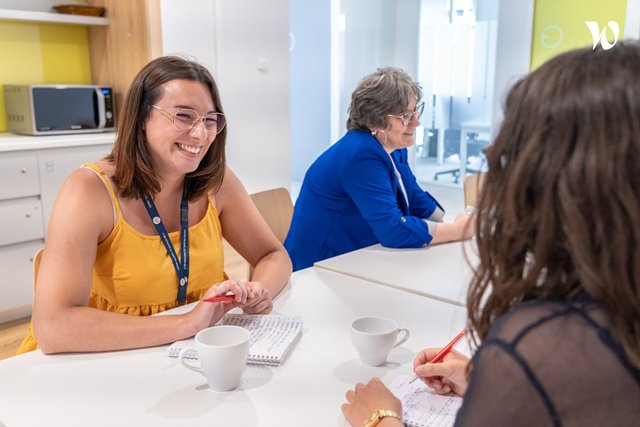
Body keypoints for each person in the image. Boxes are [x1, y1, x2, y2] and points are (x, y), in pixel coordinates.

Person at [342, 42, 640, 426]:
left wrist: (380, 419)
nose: (491, 152)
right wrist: (492, 380)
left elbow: (413, 201)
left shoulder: (538, 347)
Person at [18, 56, 292, 355]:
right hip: (103, 357)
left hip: (190, 354)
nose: (201, 134)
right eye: (184, 116)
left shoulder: (216, 181)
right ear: (141, 118)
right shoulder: (88, 190)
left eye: (210, 120)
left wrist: (260, 290)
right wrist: (187, 323)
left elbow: (273, 255)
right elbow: (55, 328)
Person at [284, 67, 474, 271]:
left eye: (416, 111)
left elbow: (414, 196)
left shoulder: (392, 147)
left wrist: (450, 221)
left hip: (357, 254)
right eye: (406, 116)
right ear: (375, 120)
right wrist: (456, 230)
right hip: (318, 266)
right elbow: (393, 230)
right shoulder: (360, 156)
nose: (417, 122)